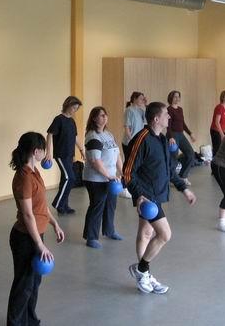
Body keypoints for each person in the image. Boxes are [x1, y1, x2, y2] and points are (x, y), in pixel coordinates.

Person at [123, 102, 197, 294]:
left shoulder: (163, 140)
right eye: (166, 114)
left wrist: (184, 189)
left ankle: (144, 275)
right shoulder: (141, 139)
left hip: (157, 194)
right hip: (147, 197)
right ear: (156, 119)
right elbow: (128, 173)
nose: (169, 117)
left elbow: (169, 170)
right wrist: (139, 195)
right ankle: (141, 269)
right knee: (165, 234)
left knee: (146, 233)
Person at [7, 132, 65, 326]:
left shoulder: (35, 172)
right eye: (43, 150)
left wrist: (54, 223)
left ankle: (30, 320)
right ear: (35, 151)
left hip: (35, 235)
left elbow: (41, 206)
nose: (45, 153)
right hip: (25, 238)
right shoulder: (24, 177)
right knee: (23, 285)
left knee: (33, 283)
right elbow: (27, 214)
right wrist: (39, 245)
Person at [82, 107, 124, 249]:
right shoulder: (92, 136)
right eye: (101, 115)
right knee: (97, 206)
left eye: (106, 115)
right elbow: (95, 161)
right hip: (95, 179)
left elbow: (117, 155)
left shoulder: (108, 134)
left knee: (110, 204)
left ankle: (109, 231)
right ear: (94, 118)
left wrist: (122, 171)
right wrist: (109, 176)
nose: (105, 117)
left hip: (110, 178)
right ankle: (91, 237)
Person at [46, 96, 85, 215]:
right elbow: (49, 134)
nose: (75, 110)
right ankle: (58, 203)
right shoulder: (59, 119)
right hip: (61, 155)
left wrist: (81, 150)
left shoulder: (72, 121)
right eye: (74, 108)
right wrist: (48, 152)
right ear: (67, 105)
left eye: (76, 108)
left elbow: (75, 138)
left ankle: (64, 206)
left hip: (69, 155)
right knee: (70, 178)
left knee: (65, 178)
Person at [166, 90, 196, 185]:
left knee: (191, 154)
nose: (177, 98)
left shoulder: (180, 109)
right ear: (171, 98)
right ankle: (171, 178)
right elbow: (168, 125)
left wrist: (190, 133)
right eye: (175, 96)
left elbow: (182, 123)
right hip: (173, 135)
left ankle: (183, 176)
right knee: (173, 158)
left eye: (178, 97)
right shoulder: (169, 109)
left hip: (181, 135)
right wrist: (171, 137)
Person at [122, 92, 146, 158]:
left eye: (143, 99)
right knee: (129, 162)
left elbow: (146, 122)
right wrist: (132, 140)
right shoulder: (129, 110)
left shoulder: (141, 111)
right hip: (129, 142)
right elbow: (126, 127)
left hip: (138, 141)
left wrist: (145, 105)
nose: (142, 100)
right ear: (135, 99)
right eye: (141, 99)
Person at [210, 90, 225, 157]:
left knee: (224, 148)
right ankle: (215, 162)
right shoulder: (219, 107)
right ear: (223, 97)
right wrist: (222, 134)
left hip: (221, 131)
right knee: (217, 149)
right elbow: (217, 122)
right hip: (215, 131)